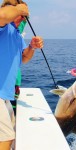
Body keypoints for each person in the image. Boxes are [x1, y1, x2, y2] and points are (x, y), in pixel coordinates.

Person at [0, 0, 44, 149]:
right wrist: (18, 8)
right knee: (6, 137)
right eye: (21, 14)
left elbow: (24, 58)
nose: (24, 18)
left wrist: (32, 46)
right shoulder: (3, 28)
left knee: (10, 133)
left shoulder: (17, 35)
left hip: (5, 95)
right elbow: (1, 16)